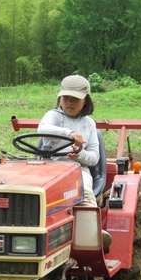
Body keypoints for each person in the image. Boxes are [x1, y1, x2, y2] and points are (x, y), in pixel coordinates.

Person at [38, 75, 99, 207]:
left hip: (78, 170)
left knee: (85, 194)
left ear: (85, 101)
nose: (70, 102)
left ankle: (88, 225)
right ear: (60, 99)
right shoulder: (53, 116)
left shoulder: (89, 124)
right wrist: (68, 133)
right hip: (50, 168)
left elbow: (94, 158)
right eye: (66, 98)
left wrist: (80, 155)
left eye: (75, 99)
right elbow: (42, 129)